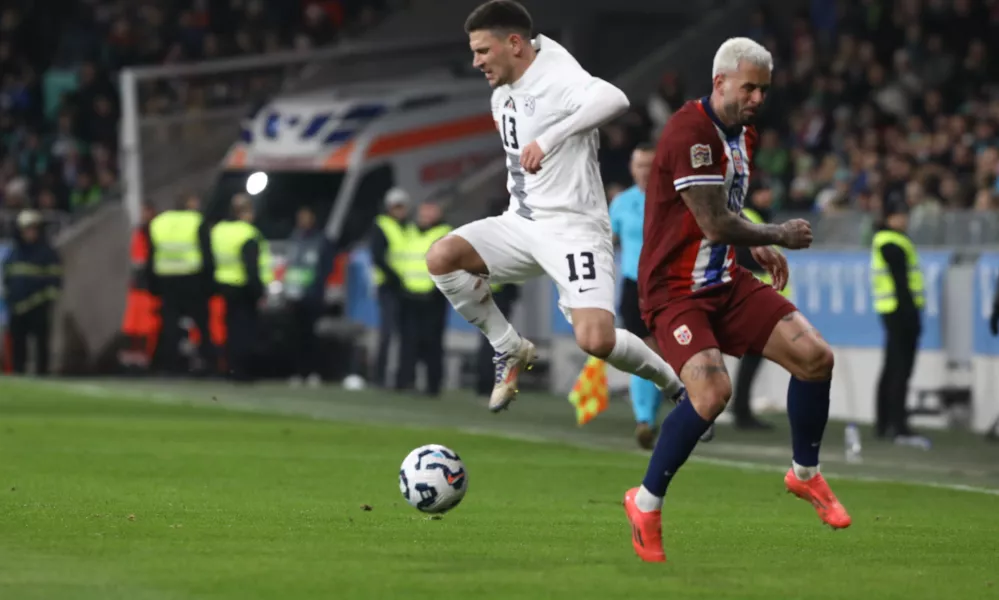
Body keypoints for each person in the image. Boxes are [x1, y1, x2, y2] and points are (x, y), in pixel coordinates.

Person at [623, 37, 851, 564]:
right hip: (675, 291)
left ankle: (805, 476)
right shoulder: (691, 133)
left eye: (763, 90)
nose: (757, 98)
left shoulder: (740, 134)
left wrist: (751, 250)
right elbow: (711, 221)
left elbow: (722, 215)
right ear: (719, 81)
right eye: (749, 87)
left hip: (723, 281)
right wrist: (775, 236)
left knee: (816, 357)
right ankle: (646, 502)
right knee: (711, 392)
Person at [425, 0, 685, 413]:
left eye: (482, 51)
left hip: (574, 228)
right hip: (521, 223)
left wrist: (550, 138)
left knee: (596, 340)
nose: (475, 62)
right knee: (442, 256)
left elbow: (615, 98)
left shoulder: (558, 75)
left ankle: (673, 384)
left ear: (515, 43)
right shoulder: (504, 88)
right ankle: (509, 347)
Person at [611, 143, 715, 448]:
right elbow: (609, 241)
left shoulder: (676, 199)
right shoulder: (621, 203)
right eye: (639, 165)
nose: (644, 171)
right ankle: (645, 419)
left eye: (650, 165)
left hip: (671, 286)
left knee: (677, 353)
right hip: (634, 287)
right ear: (632, 168)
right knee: (645, 355)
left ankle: (690, 410)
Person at [871, 198, 929, 448]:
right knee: (900, 370)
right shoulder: (892, 242)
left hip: (891, 311)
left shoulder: (886, 240)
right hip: (900, 312)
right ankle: (898, 424)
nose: (903, 219)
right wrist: (912, 317)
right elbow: (903, 285)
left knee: (891, 367)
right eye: (898, 215)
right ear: (888, 218)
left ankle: (884, 422)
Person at [729, 182, 788, 430]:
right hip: (753, 298)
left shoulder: (760, 218)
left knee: (754, 354)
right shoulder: (750, 217)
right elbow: (744, 258)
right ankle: (740, 409)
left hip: (760, 298)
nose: (769, 195)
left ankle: (740, 407)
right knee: (753, 354)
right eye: (764, 192)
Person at [147, 193, 216, 375]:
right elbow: (207, 253)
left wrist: (152, 285)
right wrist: (210, 284)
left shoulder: (159, 222)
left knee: (170, 325)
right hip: (192, 278)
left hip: (166, 280)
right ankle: (209, 363)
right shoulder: (196, 220)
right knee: (202, 324)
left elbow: (151, 255)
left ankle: (171, 365)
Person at [211, 195, 272, 382]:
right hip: (244, 287)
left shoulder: (218, 230)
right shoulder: (247, 233)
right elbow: (251, 267)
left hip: (223, 285)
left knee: (230, 329)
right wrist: (259, 291)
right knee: (245, 331)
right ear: (245, 212)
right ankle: (243, 372)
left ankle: (230, 368)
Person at [397, 201, 452, 396]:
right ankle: (405, 381)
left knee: (432, 343)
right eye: (423, 212)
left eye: (430, 212)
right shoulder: (410, 231)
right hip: (409, 295)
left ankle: (433, 385)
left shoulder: (445, 233)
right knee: (408, 342)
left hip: (433, 297)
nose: (425, 216)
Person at [1, 210, 62, 374]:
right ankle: (18, 373)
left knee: (41, 344)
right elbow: (8, 278)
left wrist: (45, 301)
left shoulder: (47, 253)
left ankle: (43, 374)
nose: (30, 232)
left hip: (38, 306)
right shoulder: (14, 252)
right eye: (27, 229)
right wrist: (10, 299)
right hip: (17, 307)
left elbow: (54, 282)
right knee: (18, 345)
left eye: (33, 229)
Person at [283, 206, 334, 387]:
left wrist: (316, 288)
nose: (302, 221)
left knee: (312, 336)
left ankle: (314, 372)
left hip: (312, 295)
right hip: (294, 294)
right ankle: (299, 371)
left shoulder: (320, 240)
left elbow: (325, 268)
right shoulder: (295, 239)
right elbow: (290, 265)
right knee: (296, 336)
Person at [370, 187, 412, 388]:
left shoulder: (408, 228)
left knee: (405, 335)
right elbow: (378, 257)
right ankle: (379, 377)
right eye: (396, 207)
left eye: (402, 206)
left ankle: (401, 379)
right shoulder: (382, 225)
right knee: (387, 334)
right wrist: (395, 277)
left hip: (407, 287)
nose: (400, 210)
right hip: (388, 286)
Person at [119, 202, 160, 371]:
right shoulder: (143, 233)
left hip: (149, 286)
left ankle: (146, 358)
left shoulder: (150, 232)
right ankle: (136, 359)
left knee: (147, 326)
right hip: (143, 286)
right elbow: (139, 261)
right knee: (137, 325)